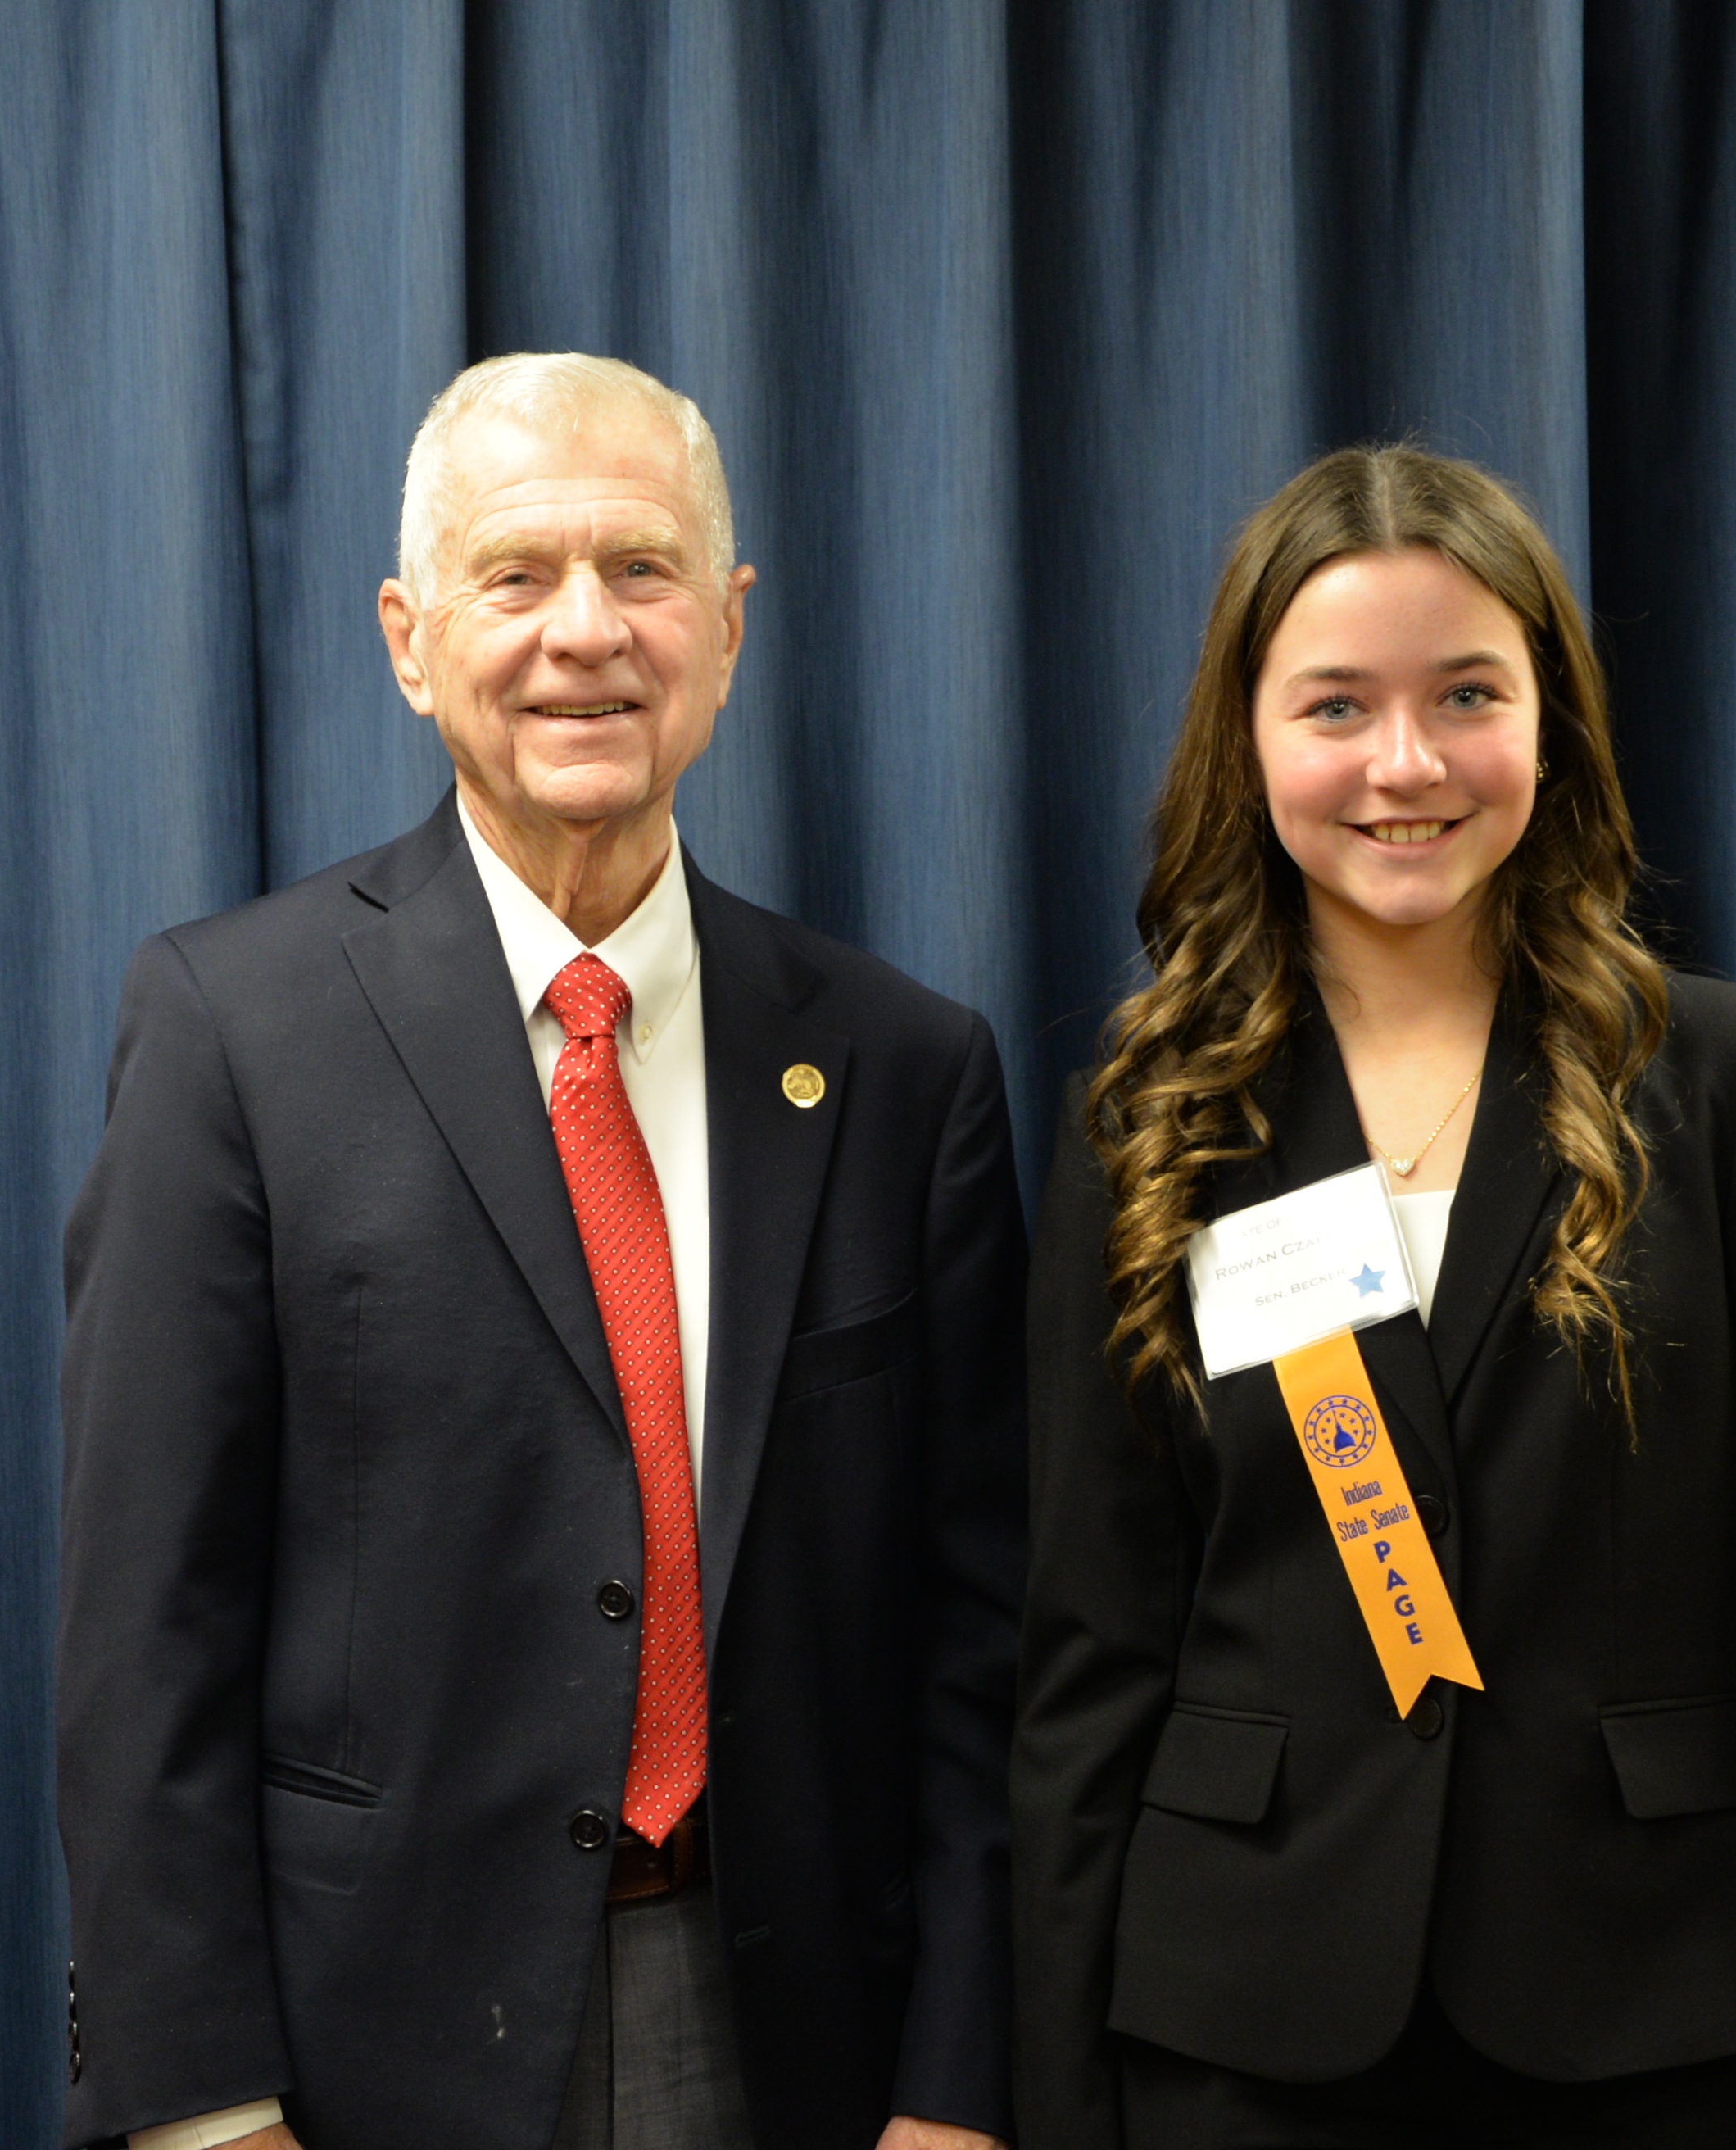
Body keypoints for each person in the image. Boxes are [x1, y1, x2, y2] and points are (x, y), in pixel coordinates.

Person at [56, 353, 1025, 2150]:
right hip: (365, 2053)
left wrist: (961, 2094)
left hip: (804, 2046)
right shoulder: (232, 1030)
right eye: (517, 575)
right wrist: (202, 2109)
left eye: (643, 569)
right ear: (411, 641)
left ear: (727, 629)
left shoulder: (907, 1069)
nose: (587, 630)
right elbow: (146, 1624)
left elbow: (980, 1639)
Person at [1012, 445, 1736, 2148]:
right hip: (1239, 2034)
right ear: (1246, 741)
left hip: (1654, 2026)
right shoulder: (1144, 1125)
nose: (1406, 763)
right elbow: (1090, 1666)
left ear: (1553, 723)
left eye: (1467, 695)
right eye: (1336, 706)